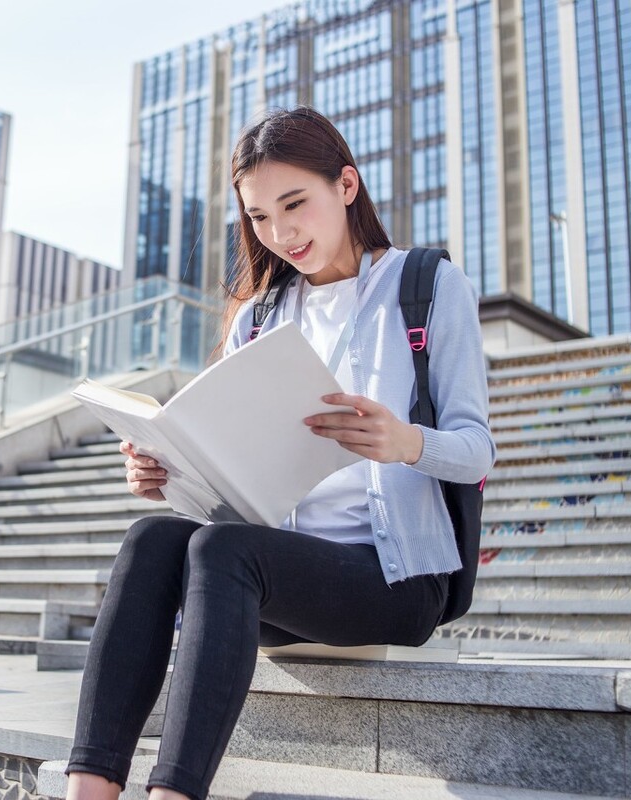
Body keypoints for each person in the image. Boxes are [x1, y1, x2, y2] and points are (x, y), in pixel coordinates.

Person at [64, 105, 495, 800]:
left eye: (295, 204)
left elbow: (477, 453)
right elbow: (229, 468)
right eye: (260, 218)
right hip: (276, 576)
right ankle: (87, 792)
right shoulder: (262, 315)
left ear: (346, 187)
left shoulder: (426, 288)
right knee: (152, 539)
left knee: (223, 551)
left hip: (395, 580)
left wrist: (404, 440)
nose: (281, 233)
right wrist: (165, 468)